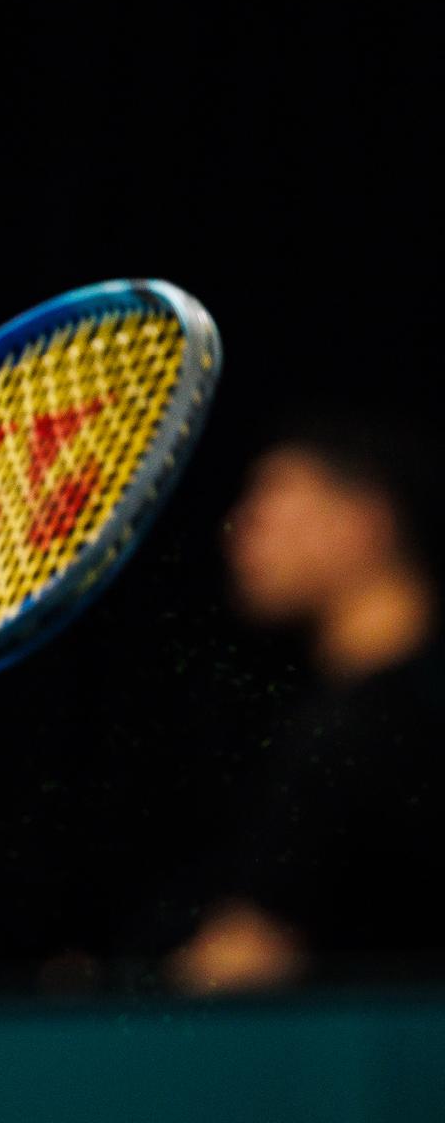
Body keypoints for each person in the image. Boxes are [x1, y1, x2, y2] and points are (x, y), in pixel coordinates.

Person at [164, 415, 442, 994]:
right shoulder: (331, 716)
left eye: (269, 510)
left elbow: (249, 954)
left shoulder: (364, 733)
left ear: (366, 522)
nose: (238, 532)